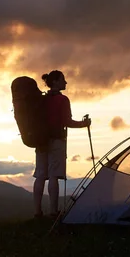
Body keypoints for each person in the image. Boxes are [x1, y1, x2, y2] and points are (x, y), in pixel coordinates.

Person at [33, 70, 91, 219]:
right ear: (56, 82)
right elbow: (67, 122)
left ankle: (37, 212)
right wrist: (84, 124)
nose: (65, 83)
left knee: (40, 176)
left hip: (40, 141)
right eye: (63, 80)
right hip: (57, 140)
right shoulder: (62, 100)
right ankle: (53, 211)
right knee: (53, 175)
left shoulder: (42, 100)